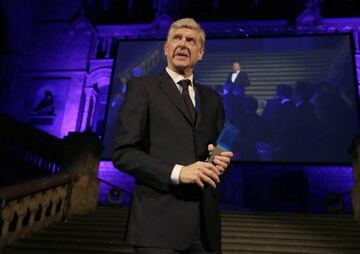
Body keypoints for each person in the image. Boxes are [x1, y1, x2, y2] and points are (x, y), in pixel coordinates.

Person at [112, 18, 233, 254]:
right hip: (157, 227)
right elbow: (123, 153)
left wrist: (220, 162)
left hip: (204, 229)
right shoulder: (142, 87)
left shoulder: (213, 99)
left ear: (201, 53)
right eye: (176, 38)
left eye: (191, 40)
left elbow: (213, 151)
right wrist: (179, 172)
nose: (182, 44)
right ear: (166, 48)